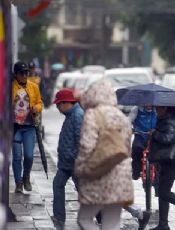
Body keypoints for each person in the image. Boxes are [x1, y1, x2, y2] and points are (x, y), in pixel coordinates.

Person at [75, 80, 150, 229]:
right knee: (112, 224)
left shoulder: (93, 114)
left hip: (99, 173)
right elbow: (127, 147)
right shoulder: (121, 116)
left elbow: (87, 146)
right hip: (120, 177)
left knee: (84, 219)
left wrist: (80, 168)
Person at [51, 89, 84, 228]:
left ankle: (100, 216)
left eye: (59, 104)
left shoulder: (77, 115)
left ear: (66, 103)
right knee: (58, 185)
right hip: (66, 163)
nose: (58, 108)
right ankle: (59, 217)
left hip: (74, 163)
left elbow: (81, 141)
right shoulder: (71, 115)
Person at [12, 61, 43, 193]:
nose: (25, 75)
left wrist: (36, 108)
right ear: (16, 74)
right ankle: (18, 183)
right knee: (17, 156)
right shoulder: (10, 87)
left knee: (29, 156)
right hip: (15, 127)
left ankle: (26, 177)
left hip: (29, 127)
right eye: (22, 73)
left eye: (26, 73)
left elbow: (40, 103)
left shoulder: (34, 87)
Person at [128, 105, 157, 180]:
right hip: (140, 134)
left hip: (155, 135)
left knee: (159, 151)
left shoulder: (158, 109)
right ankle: (136, 171)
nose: (148, 104)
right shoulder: (136, 109)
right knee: (136, 148)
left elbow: (162, 121)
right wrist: (129, 128)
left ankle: (158, 171)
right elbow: (129, 120)